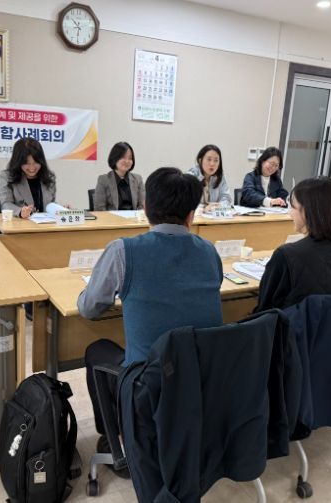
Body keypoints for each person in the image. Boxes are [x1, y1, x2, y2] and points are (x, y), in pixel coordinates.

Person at [79, 167, 223, 469]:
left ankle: (117, 439)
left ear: (145, 208)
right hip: (200, 377)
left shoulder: (123, 250)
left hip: (148, 382)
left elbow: (89, 309)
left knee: (96, 350)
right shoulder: (210, 252)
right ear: (191, 215)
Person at [255, 176, 331, 311]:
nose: (290, 213)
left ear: (308, 211)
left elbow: (264, 310)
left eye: (293, 207)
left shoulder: (286, 255)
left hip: (292, 325)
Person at [0, 138, 57, 218]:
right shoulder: (8, 177)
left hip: (45, 224)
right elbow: (5, 204)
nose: (32, 168)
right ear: (18, 162)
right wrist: (20, 212)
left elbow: (50, 204)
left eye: (36, 162)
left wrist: (60, 210)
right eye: (26, 163)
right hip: (20, 224)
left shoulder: (48, 177)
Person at [93, 142, 145, 211]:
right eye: (123, 157)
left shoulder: (138, 179)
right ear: (115, 158)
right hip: (112, 218)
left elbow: (142, 206)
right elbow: (99, 209)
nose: (127, 161)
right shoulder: (103, 180)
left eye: (130, 158)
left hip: (134, 217)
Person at [187, 144, 232, 210]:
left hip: (213, 215)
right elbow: (187, 201)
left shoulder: (219, 176)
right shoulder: (192, 175)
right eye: (209, 159)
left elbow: (226, 198)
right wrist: (203, 208)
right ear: (200, 160)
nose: (212, 164)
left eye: (216, 160)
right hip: (195, 215)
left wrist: (220, 205)